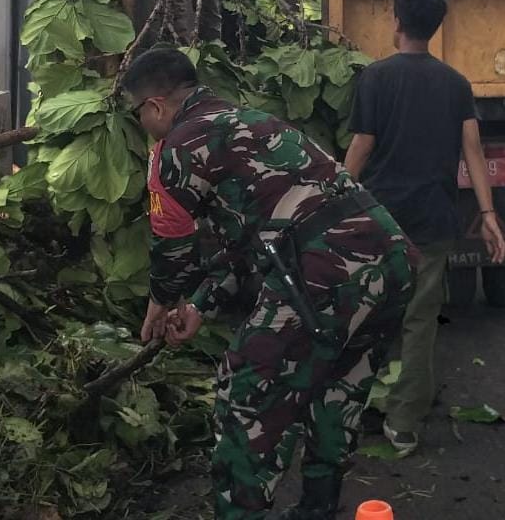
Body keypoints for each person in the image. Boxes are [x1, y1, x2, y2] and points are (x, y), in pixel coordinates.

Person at [126, 48, 415, 520]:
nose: (142, 124)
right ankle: (317, 511)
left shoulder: (177, 147)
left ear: (155, 106)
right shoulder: (255, 122)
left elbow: (172, 246)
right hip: (391, 259)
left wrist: (161, 301)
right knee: (336, 394)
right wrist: (198, 306)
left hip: (325, 272)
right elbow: (248, 245)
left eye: (138, 113)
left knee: (245, 399)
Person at [344, 0, 505, 455]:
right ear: (435, 28)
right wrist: (488, 213)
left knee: (370, 314)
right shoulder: (455, 83)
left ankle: (357, 408)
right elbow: (472, 151)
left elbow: (362, 146)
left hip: (377, 219)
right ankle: (404, 423)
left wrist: (328, 200)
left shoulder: (376, 77)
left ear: (396, 23)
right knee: (420, 320)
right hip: (434, 219)